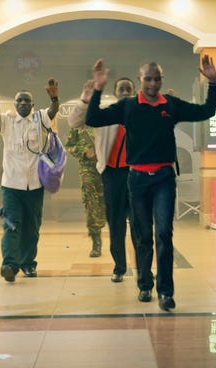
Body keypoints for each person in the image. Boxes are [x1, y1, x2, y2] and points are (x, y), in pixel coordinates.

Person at [86, 56, 216, 311]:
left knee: (163, 235)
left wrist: (213, 84)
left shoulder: (170, 105)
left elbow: (206, 111)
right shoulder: (128, 106)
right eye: (148, 78)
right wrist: (98, 88)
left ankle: (166, 292)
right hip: (136, 180)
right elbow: (93, 119)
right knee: (143, 235)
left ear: (161, 81)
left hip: (164, 179)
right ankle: (145, 284)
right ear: (140, 80)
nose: (153, 83)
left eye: (157, 79)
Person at [68, 78, 139, 282]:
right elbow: (74, 122)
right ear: (115, 93)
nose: (125, 91)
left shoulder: (141, 111)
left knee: (138, 225)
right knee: (116, 224)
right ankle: (119, 267)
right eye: (121, 89)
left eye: (128, 89)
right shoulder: (106, 113)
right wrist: (85, 100)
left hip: (137, 175)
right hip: (112, 175)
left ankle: (142, 269)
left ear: (133, 92)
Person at [0, 79, 59, 282]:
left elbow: (52, 110)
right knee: (12, 225)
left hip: (34, 184)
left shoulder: (39, 119)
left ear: (32, 104)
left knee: (31, 228)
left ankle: (28, 264)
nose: (23, 104)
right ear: (15, 105)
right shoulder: (6, 121)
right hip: (11, 185)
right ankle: (9, 264)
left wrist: (54, 98)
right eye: (20, 101)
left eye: (27, 101)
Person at [65, 112, 106, 258]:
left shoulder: (104, 120)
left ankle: (113, 236)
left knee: (106, 202)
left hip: (107, 167)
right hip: (87, 167)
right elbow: (69, 145)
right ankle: (96, 239)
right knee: (90, 199)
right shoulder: (78, 125)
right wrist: (83, 151)